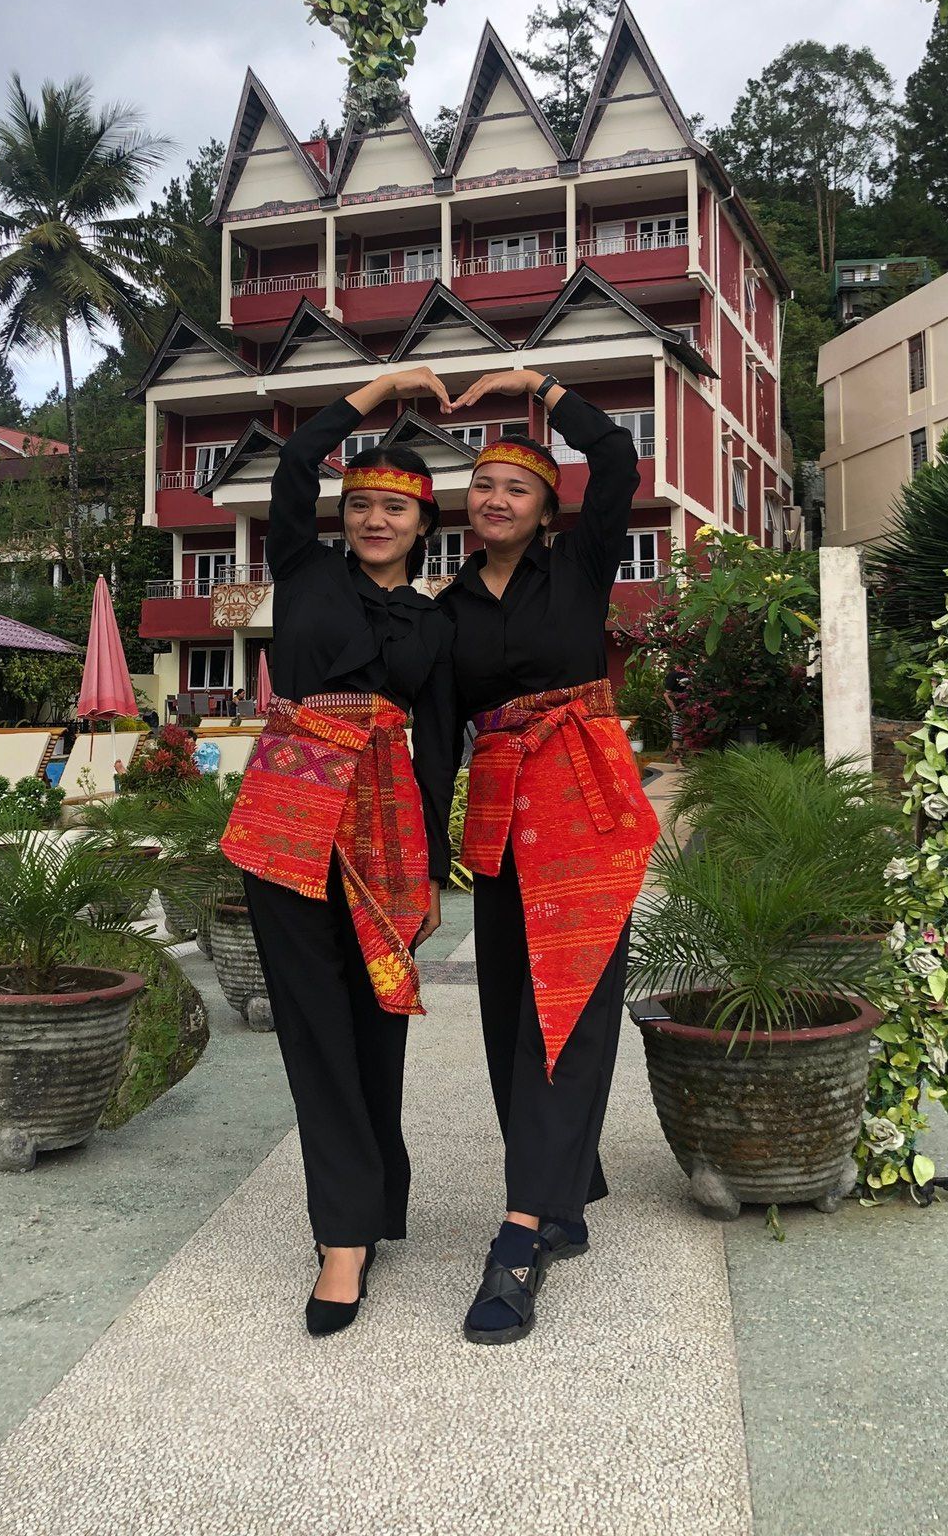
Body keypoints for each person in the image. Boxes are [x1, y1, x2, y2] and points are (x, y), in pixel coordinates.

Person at [423, 367, 661, 1345]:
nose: (495, 498)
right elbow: (437, 737)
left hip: (583, 811)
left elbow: (616, 456)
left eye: (516, 487)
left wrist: (537, 386)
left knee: (569, 1011)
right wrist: (422, 860)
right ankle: (565, 1191)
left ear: (546, 506)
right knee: (509, 1015)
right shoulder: (446, 609)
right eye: (483, 486)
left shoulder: (580, 566)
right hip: (500, 823)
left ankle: (521, 1234)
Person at [221, 366, 457, 1338]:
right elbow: (294, 464)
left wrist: (436, 868)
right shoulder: (305, 570)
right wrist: (381, 389)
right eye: (359, 504)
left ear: (423, 522)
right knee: (316, 1028)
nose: (374, 520)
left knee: (377, 1020)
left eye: (394, 508)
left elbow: (439, 743)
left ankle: (375, 1199)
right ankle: (343, 1238)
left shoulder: (438, 621)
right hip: (290, 813)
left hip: (389, 822)